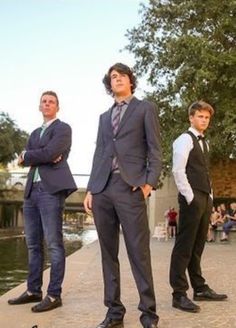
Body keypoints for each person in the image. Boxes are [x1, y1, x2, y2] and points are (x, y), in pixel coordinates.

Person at [83, 63, 162, 328]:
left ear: (130, 81)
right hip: (103, 189)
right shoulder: (104, 117)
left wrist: (148, 184)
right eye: (112, 77)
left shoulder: (144, 108)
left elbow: (155, 150)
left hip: (130, 188)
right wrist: (91, 189)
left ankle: (149, 314)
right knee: (108, 254)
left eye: (121, 76)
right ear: (109, 84)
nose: (116, 79)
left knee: (139, 253)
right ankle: (114, 313)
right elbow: (99, 153)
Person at [8, 91, 77, 312]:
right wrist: (41, 155)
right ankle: (33, 290)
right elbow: (45, 155)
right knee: (33, 244)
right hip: (31, 191)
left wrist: (28, 155)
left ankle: (54, 295)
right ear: (40, 107)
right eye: (44, 102)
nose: (47, 104)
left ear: (58, 106)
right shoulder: (35, 132)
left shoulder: (63, 129)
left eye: (51, 102)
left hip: (50, 190)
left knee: (54, 244)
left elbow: (49, 153)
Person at [169, 101, 227, 313]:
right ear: (191, 118)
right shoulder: (184, 139)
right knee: (184, 247)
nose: (204, 120)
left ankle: (200, 288)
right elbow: (178, 170)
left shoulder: (205, 143)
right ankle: (179, 294)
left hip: (205, 197)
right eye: (200, 116)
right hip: (192, 198)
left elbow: (204, 172)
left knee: (198, 246)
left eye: (206, 117)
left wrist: (210, 197)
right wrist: (191, 197)